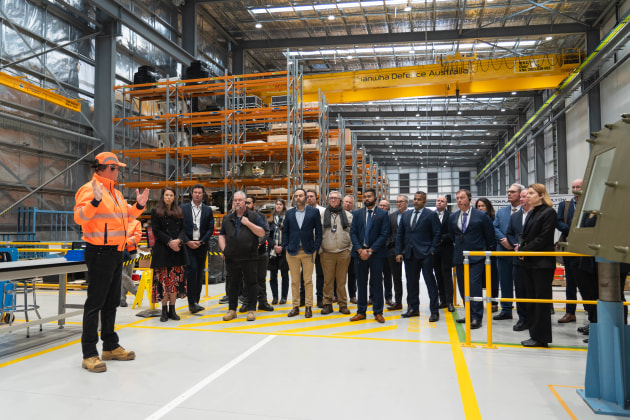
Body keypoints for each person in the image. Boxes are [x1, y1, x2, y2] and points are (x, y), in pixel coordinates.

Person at [73, 151, 149, 372]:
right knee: (95, 304)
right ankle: (89, 353)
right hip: (99, 252)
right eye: (116, 169)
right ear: (106, 168)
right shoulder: (90, 190)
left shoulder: (115, 193)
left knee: (111, 302)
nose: (118, 173)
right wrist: (95, 201)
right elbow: (79, 217)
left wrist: (139, 206)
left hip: (116, 253)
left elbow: (126, 216)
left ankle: (110, 346)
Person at [516, 184, 557, 348]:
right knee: (531, 300)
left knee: (541, 301)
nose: (527, 196)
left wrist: (524, 250)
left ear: (541, 195)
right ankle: (534, 335)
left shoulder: (549, 213)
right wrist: (520, 247)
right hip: (529, 263)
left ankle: (542, 337)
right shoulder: (532, 212)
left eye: (531, 193)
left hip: (542, 264)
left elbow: (543, 238)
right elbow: (524, 234)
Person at [449, 189, 495, 329]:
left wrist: (484, 251)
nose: (459, 200)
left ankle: (477, 317)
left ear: (469, 199)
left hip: (476, 257)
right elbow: (452, 236)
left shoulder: (481, 215)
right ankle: (468, 314)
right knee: (463, 287)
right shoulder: (453, 217)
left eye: (462, 197)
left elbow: (490, 236)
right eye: (457, 198)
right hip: (460, 257)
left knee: (474, 286)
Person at [219, 191, 267, 322]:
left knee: (251, 283)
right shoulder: (227, 218)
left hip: (249, 256)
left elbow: (262, 232)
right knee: (233, 284)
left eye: (240, 200)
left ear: (245, 202)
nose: (237, 202)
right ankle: (232, 310)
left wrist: (248, 224)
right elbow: (222, 235)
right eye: (235, 200)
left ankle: (251, 310)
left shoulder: (254, 216)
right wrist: (224, 250)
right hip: (232, 257)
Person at [396, 191, 441, 321]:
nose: (416, 201)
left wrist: (432, 250)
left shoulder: (431, 215)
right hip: (410, 255)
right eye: (415, 199)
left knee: (430, 283)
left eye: (419, 199)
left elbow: (437, 233)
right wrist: (399, 252)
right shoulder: (406, 215)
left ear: (424, 202)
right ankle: (413, 308)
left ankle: (434, 311)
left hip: (426, 254)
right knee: (411, 283)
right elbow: (400, 234)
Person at [349, 188, 390, 323]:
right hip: (360, 254)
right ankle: (361, 311)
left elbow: (384, 235)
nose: (366, 199)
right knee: (361, 283)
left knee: (377, 283)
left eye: (369, 196)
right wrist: (360, 250)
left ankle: (378, 312)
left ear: (375, 198)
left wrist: (371, 250)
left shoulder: (383, 214)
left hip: (376, 254)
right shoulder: (357, 214)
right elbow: (353, 233)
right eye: (365, 196)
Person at [151, 187, 189, 323]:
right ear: (163, 196)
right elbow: (156, 230)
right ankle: (164, 310)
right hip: (162, 251)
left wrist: (178, 241)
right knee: (163, 283)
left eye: (171, 195)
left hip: (177, 251)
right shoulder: (156, 211)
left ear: (174, 197)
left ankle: (172, 309)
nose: (168, 197)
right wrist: (169, 242)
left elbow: (184, 229)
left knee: (175, 282)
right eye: (166, 195)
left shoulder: (179, 211)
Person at [283, 188, 323, 318]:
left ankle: (308, 307)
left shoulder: (314, 212)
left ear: (305, 197)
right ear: (294, 198)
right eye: (296, 196)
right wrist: (286, 246)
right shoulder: (289, 213)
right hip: (292, 251)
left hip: (308, 251)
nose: (298, 198)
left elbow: (319, 232)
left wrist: (316, 247)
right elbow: (285, 231)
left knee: (308, 280)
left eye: (300, 195)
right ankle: (295, 306)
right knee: (294, 281)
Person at [492, 184, 524, 321]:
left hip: (520, 252)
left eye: (512, 192)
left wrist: (515, 243)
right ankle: (506, 310)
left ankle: (524, 312)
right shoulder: (501, 212)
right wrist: (502, 240)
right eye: (508, 191)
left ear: (520, 194)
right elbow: (494, 227)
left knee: (522, 284)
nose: (509, 194)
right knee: (504, 282)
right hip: (503, 251)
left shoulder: (526, 211)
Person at [181, 184, 214, 314]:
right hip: (188, 245)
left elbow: (210, 228)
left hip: (201, 246)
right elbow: (180, 227)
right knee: (192, 270)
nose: (197, 195)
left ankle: (196, 301)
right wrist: (187, 241)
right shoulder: (183, 208)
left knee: (199, 273)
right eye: (195, 192)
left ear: (203, 195)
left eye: (200, 193)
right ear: (191, 194)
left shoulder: (207, 210)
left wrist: (201, 241)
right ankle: (191, 302)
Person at [319, 190, 353, 315]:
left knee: (341, 281)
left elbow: (353, 233)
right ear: (328, 200)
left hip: (343, 252)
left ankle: (343, 304)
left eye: (336, 198)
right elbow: (318, 233)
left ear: (340, 200)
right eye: (331, 198)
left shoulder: (348, 216)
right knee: (328, 281)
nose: (333, 200)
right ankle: (327, 304)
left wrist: (350, 249)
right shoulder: (322, 215)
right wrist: (320, 249)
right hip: (327, 253)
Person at [556, 179, 582, 324]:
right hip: (568, 245)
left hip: (584, 247)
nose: (575, 189)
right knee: (570, 281)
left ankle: (591, 313)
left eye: (578, 186)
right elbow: (558, 221)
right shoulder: (564, 205)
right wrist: (569, 230)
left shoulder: (589, 203)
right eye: (573, 187)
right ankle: (570, 312)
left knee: (586, 282)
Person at [242, 196, 273, 312]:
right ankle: (247, 302)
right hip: (246, 253)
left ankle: (263, 302)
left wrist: (258, 243)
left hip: (261, 253)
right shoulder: (241, 217)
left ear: (254, 205)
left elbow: (266, 231)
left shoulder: (261, 217)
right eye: (245, 203)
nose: (246, 205)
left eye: (248, 203)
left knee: (261, 279)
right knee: (246, 279)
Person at [505, 189, 531, 331]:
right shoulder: (515, 216)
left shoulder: (537, 215)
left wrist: (524, 246)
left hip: (534, 259)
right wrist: (516, 245)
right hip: (518, 259)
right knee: (520, 290)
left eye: (524, 196)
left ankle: (534, 319)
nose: (521, 199)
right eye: (520, 197)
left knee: (533, 291)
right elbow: (509, 233)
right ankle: (523, 319)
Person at [475, 197, 499, 312]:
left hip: (491, 252)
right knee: (478, 279)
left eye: (482, 206)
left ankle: (494, 303)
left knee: (493, 279)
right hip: (478, 252)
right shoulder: (474, 220)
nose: (480, 208)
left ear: (488, 207)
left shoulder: (493, 219)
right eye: (478, 206)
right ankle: (478, 303)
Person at [386, 195, 408, 311]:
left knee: (411, 278)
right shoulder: (391, 217)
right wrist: (391, 243)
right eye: (397, 202)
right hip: (393, 250)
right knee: (396, 277)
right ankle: (398, 302)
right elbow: (388, 233)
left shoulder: (411, 215)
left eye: (401, 201)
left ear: (407, 203)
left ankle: (412, 303)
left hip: (409, 250)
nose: (399, 203)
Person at [433, 195, 454, 312]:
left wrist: (441, 239)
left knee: (446, 275)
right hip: (435, 250)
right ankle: (443, 300)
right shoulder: (431, 216)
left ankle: (450, 302)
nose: (439, 202)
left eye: (442, 201)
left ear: (446, 204)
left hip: (446, 249)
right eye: (438, 201)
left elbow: (452, 233)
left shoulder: (450, 216)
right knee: (438, 275)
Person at [306, 189, 326, 308]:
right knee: (305, 274)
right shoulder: (302, 211)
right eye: (307, 196)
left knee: (320, 274)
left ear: (316, 198)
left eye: (311, 196)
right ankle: (303, 298)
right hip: (306, 246)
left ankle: (320, 298)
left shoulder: (323, 211)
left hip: (320, 246)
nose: (309, 198)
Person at [269, 199, 290, 305]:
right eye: (277, 204)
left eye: (280, 204)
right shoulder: (271, 220)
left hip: (284, 250)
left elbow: (289, 234)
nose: (278, 206)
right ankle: (275, 297)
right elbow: (268, 235)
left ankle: (284, 297)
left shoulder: (288, 219)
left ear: (283, 206)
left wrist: (281, 246)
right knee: (273, 276)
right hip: (273, 251)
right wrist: (274, 246)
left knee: (284, 275)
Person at [120, 217, 142, 307]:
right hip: (118, 251)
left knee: (128, 275)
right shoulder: (118, 221)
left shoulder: (136, 223)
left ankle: (122, 298)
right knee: (122, 274)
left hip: (131, 252)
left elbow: (137, 237)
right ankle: (136, 291)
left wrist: (125, 242)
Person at [343, 195, 357, 303]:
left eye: (350, 202)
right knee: (338, 274)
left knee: (352, 274)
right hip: (340, 249)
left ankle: (352, 295)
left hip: (353, 249)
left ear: (352, 205)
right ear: (342, 202)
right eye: (346, 202)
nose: (348, 204)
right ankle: (336, 295)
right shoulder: (337, 214)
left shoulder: (356, 216)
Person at [379, 199, 393, 305]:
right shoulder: (373, 218)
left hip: (387, 251)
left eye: (384, 206)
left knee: (388, 276)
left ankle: (388, 297)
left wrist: (386, 244)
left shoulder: (391, 219)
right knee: (375, 276)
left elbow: (392, 234)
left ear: (388, 208)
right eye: (381, 205)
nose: (382, 207)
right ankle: (372, 297)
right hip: (376, 251)